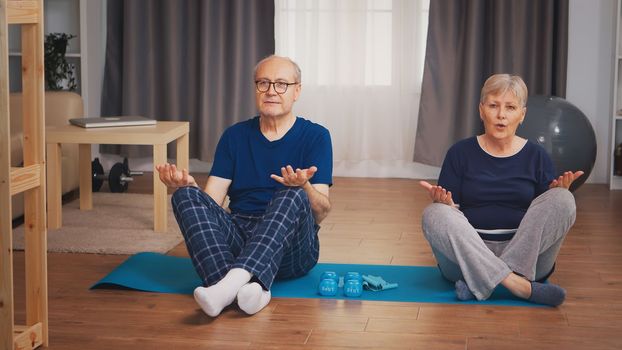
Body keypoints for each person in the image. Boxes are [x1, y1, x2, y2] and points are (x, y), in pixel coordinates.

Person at [155, 55, 333, 317]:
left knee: (292, 191)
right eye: (263, 83)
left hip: (292, 249)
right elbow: (212, 203)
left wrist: (304, 186)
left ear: (297, 90)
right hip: (240, 236)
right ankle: (250, 290)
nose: (271, 91)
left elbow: (322, 211)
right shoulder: (234, 136)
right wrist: (191, 188)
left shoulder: (317, 136)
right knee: (184, 196)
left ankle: (225, 285)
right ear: (255, 89)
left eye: (281, 84)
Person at [419, 74, 583, 306]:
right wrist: (445, 205)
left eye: (510, 107)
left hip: (527, 260)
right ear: (481, 110)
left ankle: (481, 282)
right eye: (493, 105)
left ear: (522, 114)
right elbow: (451, 214)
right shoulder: (459, 153)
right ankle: (518, 285)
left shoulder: (537, 156)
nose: (501, 115)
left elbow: (541, 220)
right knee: (433, 213)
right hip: (468, 258)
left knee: (564, 199)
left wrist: (555, 194)